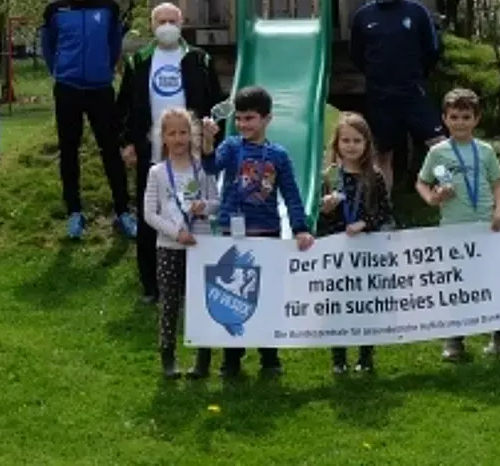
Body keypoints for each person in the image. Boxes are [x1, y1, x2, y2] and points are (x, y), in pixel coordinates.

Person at [200, 85, 314, 378]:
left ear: (267, 119)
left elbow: (291, 194)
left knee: (267, 295)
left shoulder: (278, 155)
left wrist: (300, 228)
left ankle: (269, 356)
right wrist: (208, 141)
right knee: (231, 293)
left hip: (266, 232)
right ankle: (232, 357)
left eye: (249, 118)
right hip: (232, 231)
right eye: (238, 119)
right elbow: (211, 167)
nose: (243, 124)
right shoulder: (231, 146)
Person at [117, 2, 224, 304]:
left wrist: (212, 136)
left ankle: (192, 282)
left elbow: (215, 103)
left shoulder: (199, 59)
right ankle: (152, 285)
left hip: (191, 156)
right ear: (152, 26)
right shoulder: (139, 59)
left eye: (172, 20)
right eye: (161, 21)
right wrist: (126, 142)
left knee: (194, 214)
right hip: (150, 152)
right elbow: (124, 105)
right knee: (152, 215)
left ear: (181, 22)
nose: (167, 26)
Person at [41, 0, 137, 241]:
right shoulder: (55, 10)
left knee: (111, 150)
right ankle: (74, 213)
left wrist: (103, 70)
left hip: (100, 89)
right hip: (68, 89)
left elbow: (114, 43)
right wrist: (60, 71)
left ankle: (123, 212)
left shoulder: (108, 6)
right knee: (69, 152)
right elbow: (48, 46)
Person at [416, 89, 500, 361]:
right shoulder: (437, 152)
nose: (460, 122)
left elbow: (497, 184)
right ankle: (454, 340)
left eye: (466, 117)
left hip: (486, 225)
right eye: (454, 117)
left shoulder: (486, 151)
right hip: (454, 226)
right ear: (444, 119)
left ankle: (499, 335)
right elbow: (422, 182)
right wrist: (433, 199)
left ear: (476, 119)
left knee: (492, 280)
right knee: (457, 283)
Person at [349, 0, 445, 188]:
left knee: (440, 147)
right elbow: (357, 56)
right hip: (380, 96)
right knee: (382, 155)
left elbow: (432, 49)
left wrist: (415, 74)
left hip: (413, 91)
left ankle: (456, 199)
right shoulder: (363, 17)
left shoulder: (416, 11)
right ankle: (384, 213)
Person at [142, 108, 220, 379]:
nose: (178, 138)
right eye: (172, 133)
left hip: (201, 246)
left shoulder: (204, 169)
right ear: (163, 137)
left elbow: (217, 203)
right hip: (169, 246)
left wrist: (204, 207)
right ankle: (168, 357)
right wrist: (176, 233)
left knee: (200, 303)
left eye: (183, 132)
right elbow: (150, 213)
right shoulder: (157, 173)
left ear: (193, 135)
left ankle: (202, 359)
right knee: (170, 303)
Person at [318, 112, 394, 374]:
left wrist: (365, 223)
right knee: (337, 305)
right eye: (346, 140)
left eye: (357, 140)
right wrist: (325, 211)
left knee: (366, 304)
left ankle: (365, 355)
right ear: (337, 144)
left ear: (366, 144)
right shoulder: (328, 177)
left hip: (367, 251)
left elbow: (386, 213)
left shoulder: (374, 176)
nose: (351, 146)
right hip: (337, 254)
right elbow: (318, 220)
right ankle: (338, 359)